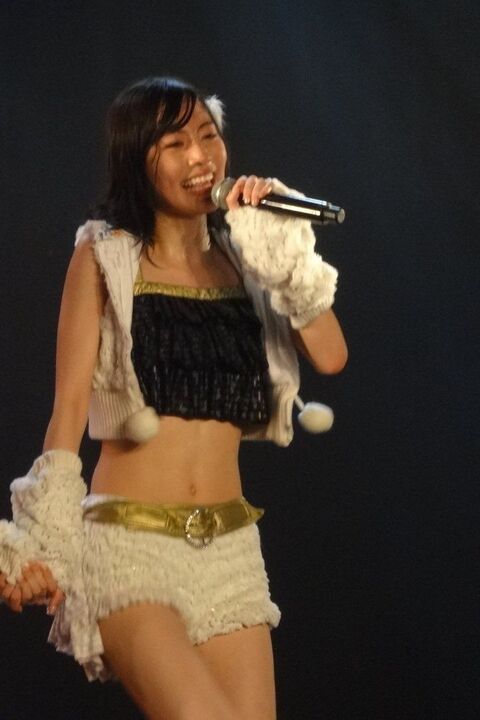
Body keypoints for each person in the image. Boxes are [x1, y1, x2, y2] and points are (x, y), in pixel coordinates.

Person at [0, 76, 347, 720]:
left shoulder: (247, 257)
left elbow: (330, 355)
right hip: (129, 546)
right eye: (175, 143)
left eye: (208, 137)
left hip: (230, 548)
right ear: (138, 159)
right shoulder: (105, 256)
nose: (200, 156)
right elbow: (67, 412)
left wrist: (280, 246)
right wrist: (43, 542)